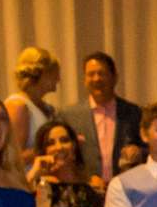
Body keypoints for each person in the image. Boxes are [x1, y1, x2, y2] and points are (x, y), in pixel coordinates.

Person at [56, 51, 142, 188]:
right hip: (85, 191)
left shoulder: (133, 112)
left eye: (102, 73)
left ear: (114, 77)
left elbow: (149, 150)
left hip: (126, 190)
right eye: (91, 74)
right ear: (84, 79)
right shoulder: (68, 116)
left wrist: (138, 151)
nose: (96, 79)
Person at [27, 121, 105, 207]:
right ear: (43, 150)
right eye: (51, 143)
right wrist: (34, 172)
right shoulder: (38, 186)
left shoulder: (92, 185)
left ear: (74, 146)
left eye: (64, 140)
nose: (59, 147)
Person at [2, 46, 62, 170]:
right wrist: (50, 150)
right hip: (26, 181)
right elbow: (12, 158)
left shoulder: (46, 107)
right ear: (42, 74)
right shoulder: (18, 106)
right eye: (54, 73)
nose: (58, 79)